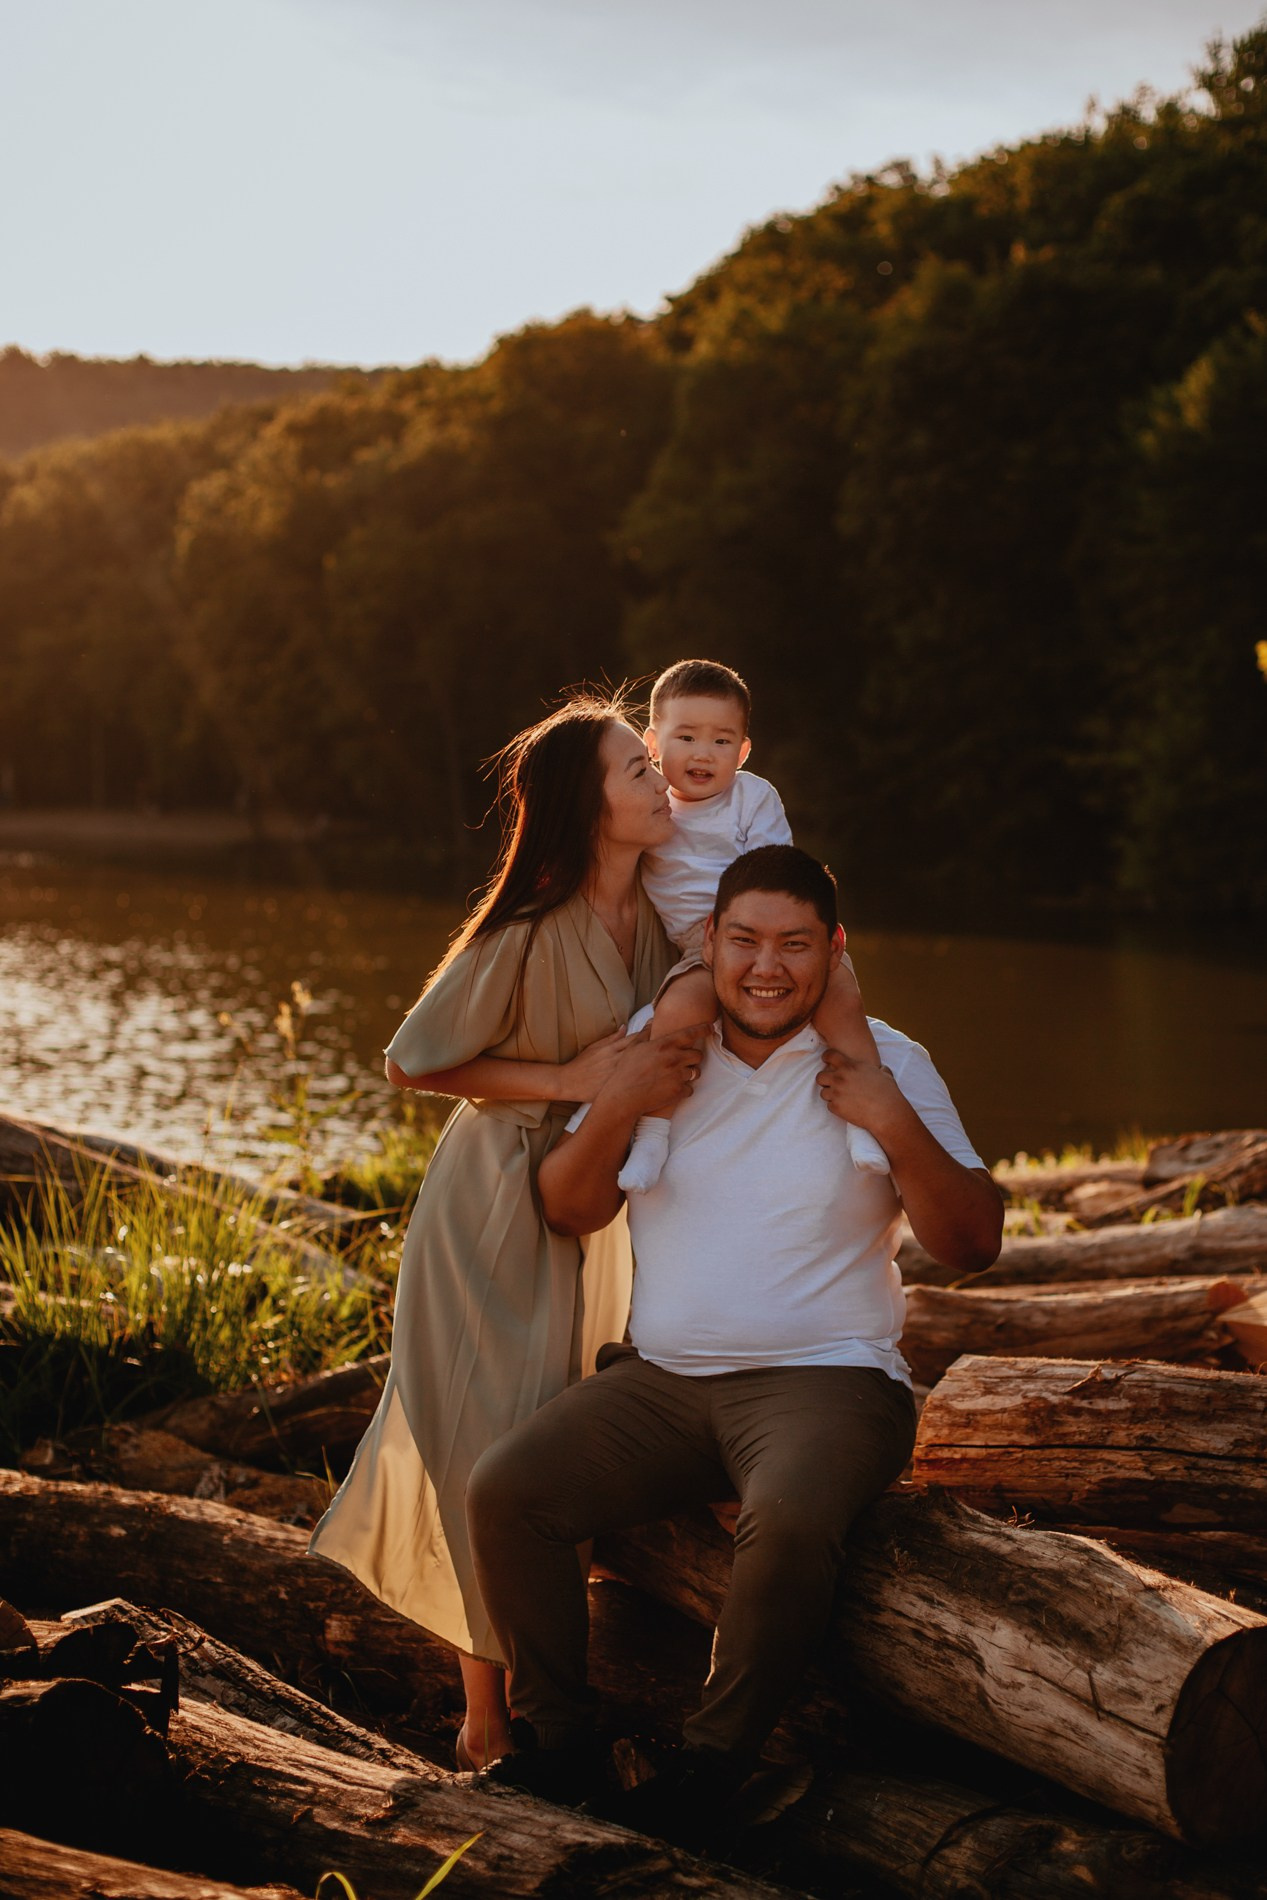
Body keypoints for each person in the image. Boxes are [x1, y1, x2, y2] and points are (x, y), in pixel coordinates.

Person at [466, 845, 1003, 1842]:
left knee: (790, 1517)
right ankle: (562, 1753)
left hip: (830, 1381)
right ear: (707, 941)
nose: (766, 966)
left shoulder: (885, 1060)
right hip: (664, 1383)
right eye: (745, 939)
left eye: (794, 944)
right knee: (509, 1488)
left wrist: (888, 1117)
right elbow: (568, 1205)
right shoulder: (656, 1043)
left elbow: (973, 1240)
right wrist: (623, 1099)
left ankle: (707, 1770)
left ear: (833, 951)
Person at [309, 691, 700, 1770]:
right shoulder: (528, 926)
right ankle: (489, 1712)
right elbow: (410, 1059)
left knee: (555, 1434)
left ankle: (540, 1683)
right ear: (587, 804)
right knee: (490, 1434)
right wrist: (566, 1076)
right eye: (635, 768)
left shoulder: (664, 919)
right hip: (489, 1210)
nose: (658, 778)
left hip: (590, 1202)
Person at [618, 658, 889, 1193]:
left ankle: (865, 1117)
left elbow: (775, 873)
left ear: (742, 751)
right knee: (676, 1011)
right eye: (687, 736)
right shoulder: (649, 809)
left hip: (767, 930)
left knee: (841, 996)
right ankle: (653, 1131)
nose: (703, 753)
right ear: (652, 744)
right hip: (699, 947)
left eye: (722, 741)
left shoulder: (752, 797)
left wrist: (774, 938)